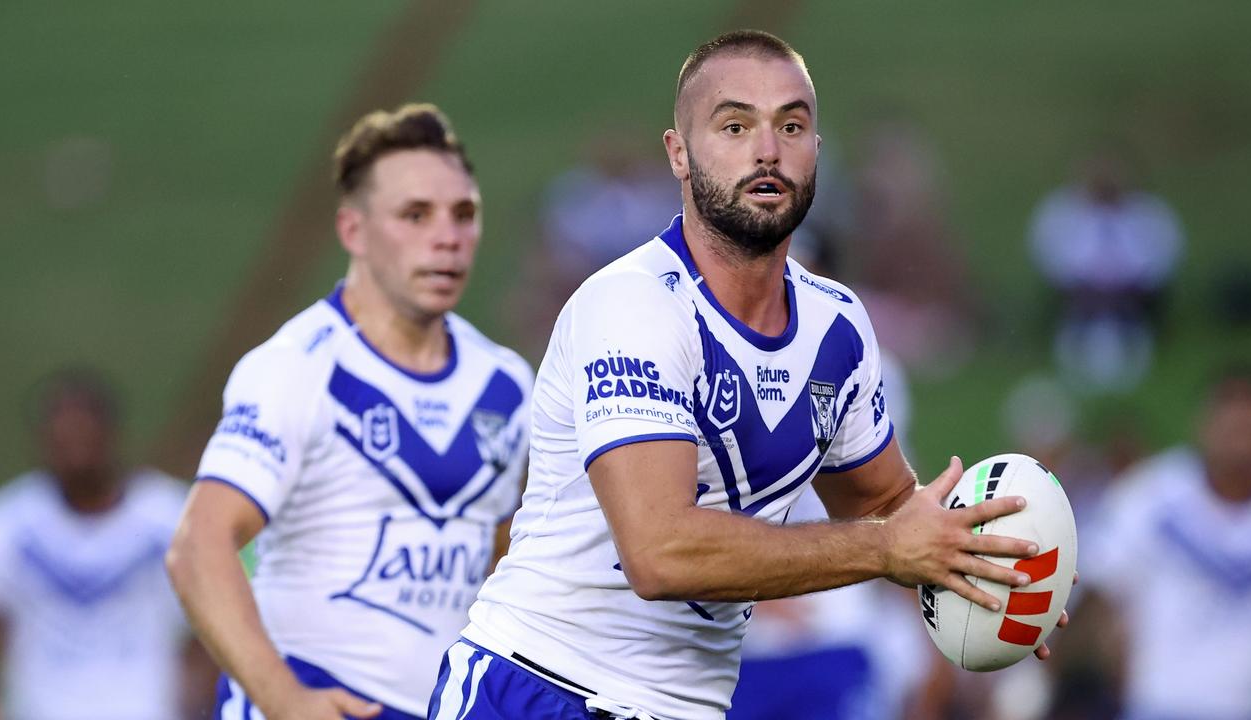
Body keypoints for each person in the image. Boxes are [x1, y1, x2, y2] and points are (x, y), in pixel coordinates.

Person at [429, 31, 1063, 720]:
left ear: (816, 152)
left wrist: (1000, 571)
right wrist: (886, 549)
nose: (768, 149)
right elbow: (661, 552)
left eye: (791, 125)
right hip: (540, 689)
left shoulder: (839, 328)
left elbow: (884, 506)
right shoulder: (633, 304)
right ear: (678, 153)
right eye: (735, 125)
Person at [166, 104, 533, 720]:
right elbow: (198, 547)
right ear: (353, 231)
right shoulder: (295, 366)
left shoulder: (505, 380)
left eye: (463, 214)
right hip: (320, 696)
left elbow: (502, 561)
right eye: (415, 215)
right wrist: (284, 699)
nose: (447, 236)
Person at [0, 368, 212, 720]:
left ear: (110, 434)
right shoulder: (6, 526)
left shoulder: (173, 517)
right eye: (63, 438)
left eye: (84, 434)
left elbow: (212, 629)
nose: (75, 448)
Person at [1061, 366, 1251, 720]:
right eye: (1231, 427)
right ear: (1204, 425)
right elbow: (1097, 588)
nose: (1240, 441)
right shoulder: (1152, 495)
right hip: (1160, 703)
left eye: (1250, 429)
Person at [1027, 145, 1184, 392]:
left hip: (1134, 294)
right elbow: (1049, 260)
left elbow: (1163, 260)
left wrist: (1128, 284)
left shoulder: (1151, 213)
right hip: (1081, 295)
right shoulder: (1058, 212)